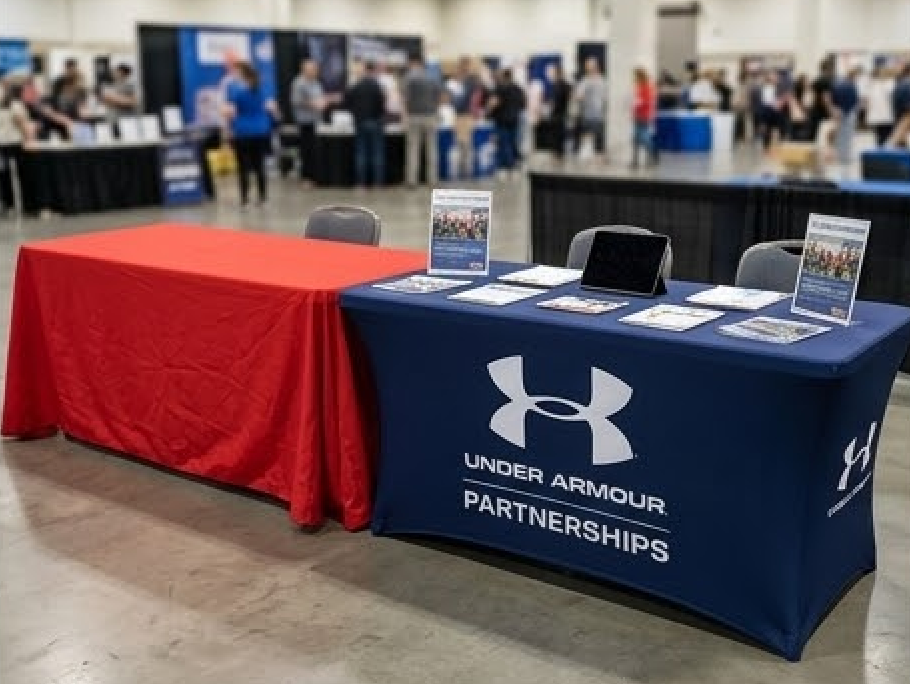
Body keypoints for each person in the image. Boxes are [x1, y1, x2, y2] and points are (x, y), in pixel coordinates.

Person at [224, 61, 277, 206]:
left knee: (243, 167)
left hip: (243, 131)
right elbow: (272, 108)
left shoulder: (235, 89)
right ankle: (263, 197)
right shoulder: (262, 87)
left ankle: (244, 199)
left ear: (241, 73)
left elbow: (230, 112)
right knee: (260, 165)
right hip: (261, 130)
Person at [345, 60, 387, 188]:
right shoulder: (377, 85)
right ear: (373, 71)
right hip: (375, 122)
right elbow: (381, 103)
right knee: (377, 153)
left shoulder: (355, 85)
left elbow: (347, 102)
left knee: (361, 153)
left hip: (360, 122)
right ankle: (378, 182)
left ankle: (361, 182)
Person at [403, 54, 441, 187]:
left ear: (415, 63)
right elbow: (438, 97)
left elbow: (405, 98)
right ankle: (432, 179)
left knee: (413, 149)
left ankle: (412, 180)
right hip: (430, 115)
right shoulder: (433, 78)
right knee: (432, 148)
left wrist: (405, 115)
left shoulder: (409, 78)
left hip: (414, 116)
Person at [0, 79, 33, 214]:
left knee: (5, 175)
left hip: (6, 143)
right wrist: (28, 139)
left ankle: (9, 205)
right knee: (18, 175)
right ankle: (18, 205)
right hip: (14, 143)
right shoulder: (15, 105)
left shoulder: (13, 105)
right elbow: (22, 123)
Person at [290, 59, 325, 186]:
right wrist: (313, 104)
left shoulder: (316, 83)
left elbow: (320, 97)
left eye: (316, 69)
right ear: (305, 70)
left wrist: (324, 101)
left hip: (316, 121)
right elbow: (296, 101)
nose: (315, 72)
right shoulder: (299, 83)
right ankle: (306, 178)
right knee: (306, 151)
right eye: (312, 70)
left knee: (315, 151)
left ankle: (316, 177)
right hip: (305, 122)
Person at [487, 68, 525, 176]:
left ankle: (505, 166)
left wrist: (487, 113)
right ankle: (513, 165)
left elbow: (493, 103)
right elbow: (523, 104)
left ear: (503, 77)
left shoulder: (500, 88)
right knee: (513, 142)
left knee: (503, 143)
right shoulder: (518, 89)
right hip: (514, 120)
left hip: (502, 120)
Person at [574, 57, 607, 155]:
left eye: (588, 66)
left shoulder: (587, 80)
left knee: (592, 136)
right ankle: (591, 156)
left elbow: (579, 96)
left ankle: (590, 156)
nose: (588, 68)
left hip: (592, 114)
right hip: (594, 113)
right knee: (594, 137)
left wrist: (578, 96)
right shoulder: (602, 80)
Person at [831, 67, 860, 165]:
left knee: (840, 135)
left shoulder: (837, 84)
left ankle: (839, 155)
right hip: (849, 113)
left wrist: (837, 109)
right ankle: (845, 157)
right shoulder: (852, 86)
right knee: (848, 135)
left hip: (838, 111)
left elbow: (833, 98)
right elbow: (855, 100)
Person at [631, 67, 657, 168]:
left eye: (635, 75)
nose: (634, 77)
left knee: (643, 138)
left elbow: (647, 101)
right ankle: (635, 160)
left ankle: (652, 156)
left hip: (644, 115)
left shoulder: (646, 87)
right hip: (638, 114)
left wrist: (637, 102)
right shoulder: (640, 86)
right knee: (635, 138)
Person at [867, 65, 895, 146]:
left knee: (880, 138)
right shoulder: (891, 84)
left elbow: (868, 101)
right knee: (886, 138)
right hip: (887, 117)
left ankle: (880, 154)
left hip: (876, 118)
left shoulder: (873, 85)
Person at [549, 63, 572, 160]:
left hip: (558, 114)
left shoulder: (558, 85)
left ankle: (558, 155)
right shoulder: (566, 85)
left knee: (557, 136)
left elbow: (555, 101)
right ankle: (559, 155)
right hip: (563, 113)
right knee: (560, 136)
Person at [888, 63, 910, 147]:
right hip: (905, 116)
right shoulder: (907, 84)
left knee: (900, 141)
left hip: (899, 114)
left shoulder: (900, 83)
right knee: (898, 138)